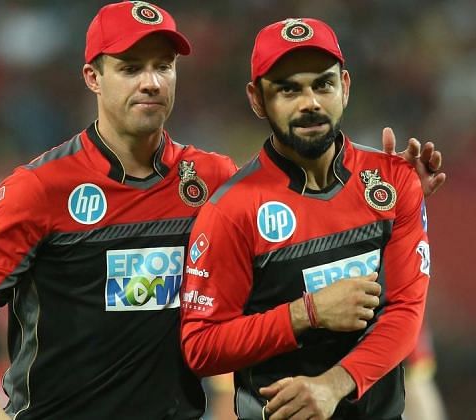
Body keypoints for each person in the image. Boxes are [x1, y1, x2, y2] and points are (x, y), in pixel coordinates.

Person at [0, 3, 445, 419]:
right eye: (131, 68)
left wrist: (383, 187)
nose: (152, 82)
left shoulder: (213, 182)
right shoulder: (40, 188)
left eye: (163, 66)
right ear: (92, 77)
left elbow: (296, 221)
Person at [180, 18, 433, 420]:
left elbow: (406, 312)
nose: (310, 102)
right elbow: (201, 347)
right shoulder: (229, 211)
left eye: (323, 84)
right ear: (257, 100)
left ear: (345, 87)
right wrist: (306, 313)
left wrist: (333, 385)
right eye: (288, 89)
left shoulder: (394, 180)